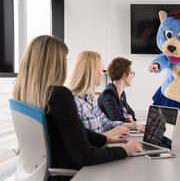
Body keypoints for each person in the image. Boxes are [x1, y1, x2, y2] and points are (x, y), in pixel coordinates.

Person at [12, 35, 143, 181]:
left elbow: (72, 131)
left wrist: (104, 140)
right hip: (73, 173)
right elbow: (85, 156)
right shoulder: (60, 96)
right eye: (64, 61)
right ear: (56, 65)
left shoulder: (27, 96)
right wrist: (125, 150)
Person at [67, 51, 145, 135]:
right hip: (98, 146)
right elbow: (83, 140)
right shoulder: (74, 102)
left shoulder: (91, 98)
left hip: (102, 144)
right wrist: (111, 134)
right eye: (101, 69)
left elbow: (105, 123)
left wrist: (134, 125)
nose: (102, 73)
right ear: (91, 71)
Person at [98, 57, 136, 122]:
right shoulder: (108, 94)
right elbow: (117, 120)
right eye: (131, 73)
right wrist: (128, 119)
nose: (132, 76)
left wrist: (129, 117)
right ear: (124, 75)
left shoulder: (121, 93)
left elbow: (131, 112)